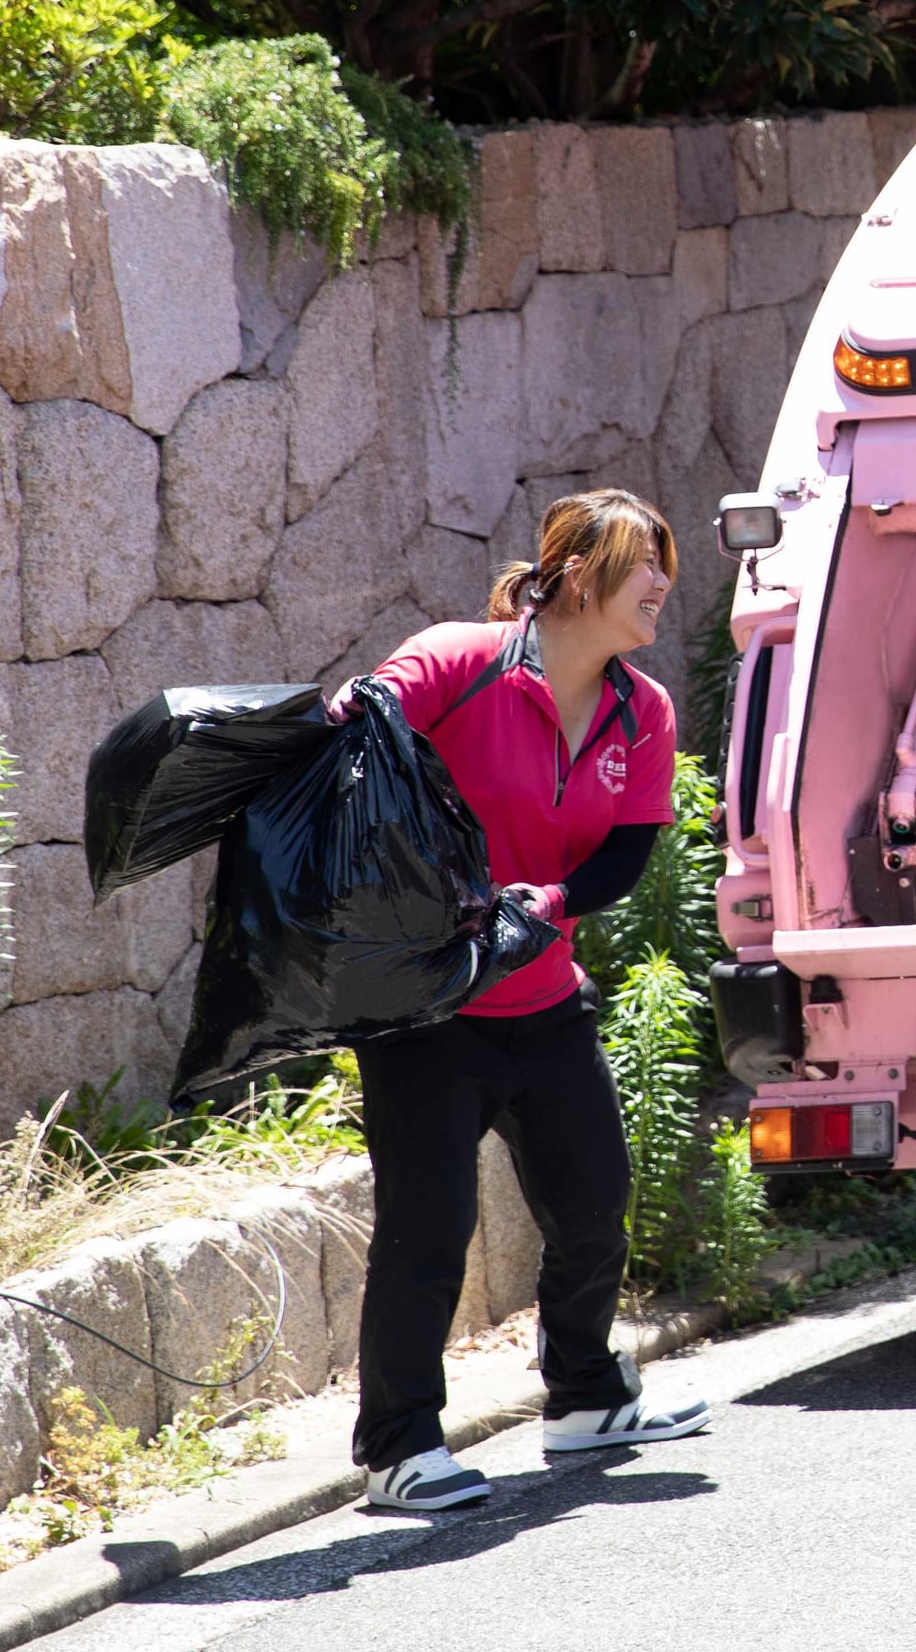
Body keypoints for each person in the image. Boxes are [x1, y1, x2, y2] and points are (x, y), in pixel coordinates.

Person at [350, 488, 713, 1511]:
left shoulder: (641, 710)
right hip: (427, 1007)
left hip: (545, 996)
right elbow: (361, 728)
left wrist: (549, 899)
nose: (662, 585)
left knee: (594, 1203)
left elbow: (630, 850)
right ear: (580, 573)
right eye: (646, 562)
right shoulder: (461, 660)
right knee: (428, 1228)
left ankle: (587, 1398)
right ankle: (397, 1447)